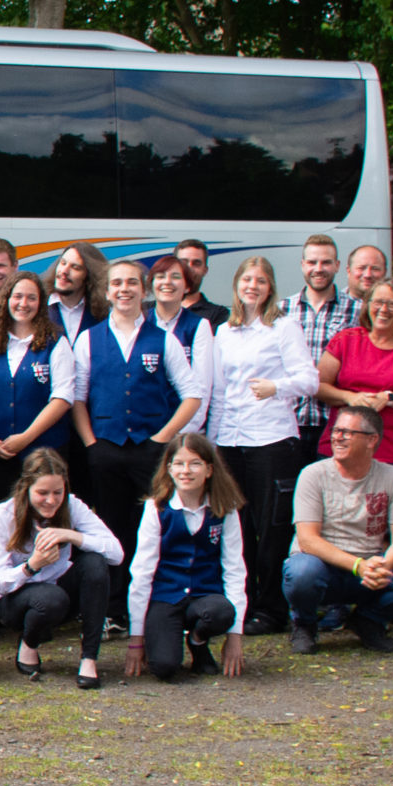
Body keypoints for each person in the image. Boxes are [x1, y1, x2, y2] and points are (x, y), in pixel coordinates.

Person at [70, 259, 205, 631]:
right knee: (110, 529)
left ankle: (156, 604)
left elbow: (193, 394)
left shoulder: (163, 338)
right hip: (106, 450)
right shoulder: (89, 338)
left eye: (132, 282)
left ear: (143, 290)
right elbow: (78, 398)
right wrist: (91, 444)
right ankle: (113, 610)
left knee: (154, 526)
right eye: (117, 283)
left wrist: (162, 439)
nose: (124, 289)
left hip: (151, 452)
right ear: (107, 291)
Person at [0, 271, 76, 641]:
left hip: (40, 458)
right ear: (5, 300)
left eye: (31, 298)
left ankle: (41, 610)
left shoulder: (55, 342)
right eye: (16, 297)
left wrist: (25, 438)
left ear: (41, 304)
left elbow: (63, 396)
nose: (22, 304)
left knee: (40, 528)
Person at [204, 257, 317, 635]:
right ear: (236, 285)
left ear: (271, 288)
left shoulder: (283, 327)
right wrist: (214, 443)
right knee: (236, 527)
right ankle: (242, 604)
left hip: (271, 439)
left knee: (270, 530)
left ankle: (272, 610)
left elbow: (309, 380)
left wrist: (276, 387)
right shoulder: (225, 331)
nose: (253, 286)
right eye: (247, 279)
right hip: (231, 442)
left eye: (261, 280)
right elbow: (218, 391)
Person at [283, 404, 393, 654]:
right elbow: (308, 540)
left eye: (347, 432)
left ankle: (369, 620)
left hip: (371, 568)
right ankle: (304, 624)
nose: (337, 437)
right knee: (301, 572)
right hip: (325, 566)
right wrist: (358, 565)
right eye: (336, 430)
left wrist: (384, 565)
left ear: (371, 440)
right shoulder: (312, 474)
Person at [0, 450, 123, 688]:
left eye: (57, 492)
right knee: (51, 599)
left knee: (95, 563)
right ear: (26, 488)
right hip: (16, 599)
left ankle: (89, 658)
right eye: (42, 493)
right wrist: (32, 566)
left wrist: (70, 535)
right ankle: (28, 644)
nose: (50, 500)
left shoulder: (73, 506)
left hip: (59, 589)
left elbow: (116, 554)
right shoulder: (2, 515)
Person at [124, 433, 248, 681]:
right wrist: (136, 640)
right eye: (179, 464)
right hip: (166, 597)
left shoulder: (225, 508)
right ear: (169, 469)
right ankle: (166, 640)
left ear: (209, 469)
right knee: (164, 667)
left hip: (204, 596)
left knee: (222, 611)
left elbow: (235, 569)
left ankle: (198, 641)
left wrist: (235, 637)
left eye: (195, 463)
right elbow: (142, 573)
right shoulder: (157, 508)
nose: (186, 471)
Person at [314, 277, 393, 469]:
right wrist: (349, 397)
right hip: (342, 449)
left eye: (392, 304)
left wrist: (391, 398)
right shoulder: (345, 340)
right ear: (367, 305)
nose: (383, 309)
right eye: (378, 302)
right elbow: (318, 387)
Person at [279, 234, 359, 468]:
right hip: (290, 421)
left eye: (325, 262)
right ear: (303, 265)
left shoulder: (357, 310)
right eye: (312, 262)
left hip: (337, 421)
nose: (319, 268)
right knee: (288, 494)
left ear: (337, 265)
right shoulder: (281, 310)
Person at [144, 256, 217, 404]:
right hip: (144, 421)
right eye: (160, 276)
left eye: (176, 277)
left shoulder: (199, 326)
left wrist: (189, 425)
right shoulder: (140, 322)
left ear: (187, 287)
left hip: (184, 420)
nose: (167, 282)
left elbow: (201, 386)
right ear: (152, 283)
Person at [49, 244, 106, 342]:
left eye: (75, 267)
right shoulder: (38, 305)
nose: (64, 271)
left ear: (89, 276)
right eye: (63, 263)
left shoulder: (101, 314)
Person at [174, 240, 228, 329]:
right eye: (183, 262)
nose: (189, 268)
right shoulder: (149, 309)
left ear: (205, 270)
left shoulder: (218, 314)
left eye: (196, 263)